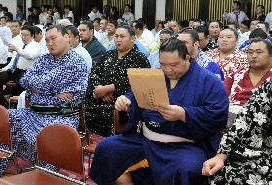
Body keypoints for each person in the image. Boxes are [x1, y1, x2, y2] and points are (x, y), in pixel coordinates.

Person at [89, 38, 229, 185]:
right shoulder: (155, 75)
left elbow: (217, 114)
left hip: (184, 145)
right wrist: (126, 100)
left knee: (188, 168)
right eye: (163, 64)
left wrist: (184, 114)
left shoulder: (209, 81)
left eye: (174, 65)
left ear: (188, 58)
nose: (168, 69)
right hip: (146, 139)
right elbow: (135, 93)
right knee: (107, 149)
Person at [0, 25, 88, 176]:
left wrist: (38, 88)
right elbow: (24, 80)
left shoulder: (75, 61)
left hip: (59, 117)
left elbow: (42, 83)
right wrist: (54, 92)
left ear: (67, 37)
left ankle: (45, 175)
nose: (50, 43)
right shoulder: (45, 58)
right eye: (47, 40)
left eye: (53, 38)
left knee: (48, 138)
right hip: (34, 112)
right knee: (1, 122)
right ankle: (6, 164)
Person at [84, 24, 150, 138]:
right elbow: (93, 74)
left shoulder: (140, 58)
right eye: (116, 36)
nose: (118, 40)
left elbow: (135, 82)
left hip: (121, 103)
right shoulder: (108, 54)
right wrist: (100, 90)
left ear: (133, 38)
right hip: (99, 97)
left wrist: (107, 89)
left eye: (122, 37)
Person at [202, 77, 272, 184]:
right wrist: (221, 155)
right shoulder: (269, 85)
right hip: (266, 153)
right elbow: (246, 121)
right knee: (224, 174)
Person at [225, 39, 272, 125]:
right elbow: (221, 98)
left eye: (259, 52)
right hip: (231, 118)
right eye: (250, 52)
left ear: (270, 55)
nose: (253, 56)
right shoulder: (235, 75)